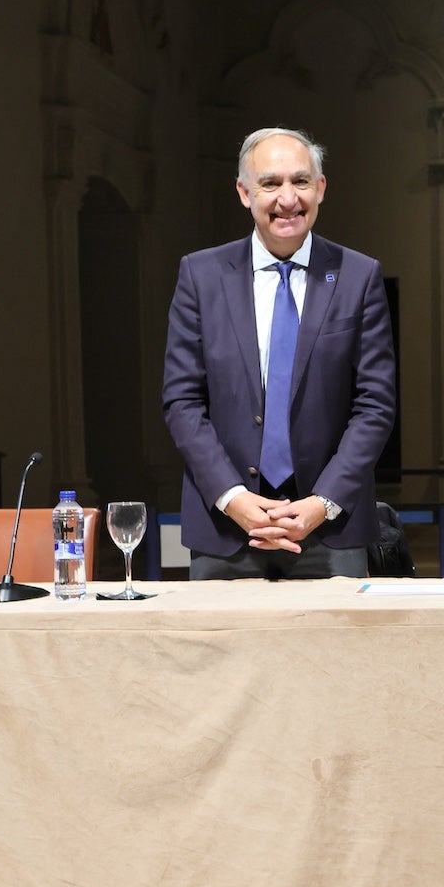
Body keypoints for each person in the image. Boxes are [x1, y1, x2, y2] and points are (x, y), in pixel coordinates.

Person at [163, 127, 396, 579]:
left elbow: (376, 404)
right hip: (226, 529)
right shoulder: (200, 275)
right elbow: (182, 400)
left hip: (330, 528)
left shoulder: (359, 276)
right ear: (244, 193)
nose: (288, 199)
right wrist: (232, 497)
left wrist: (322, 503)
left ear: (320, 188)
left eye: (300, 181)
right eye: (270, 183)